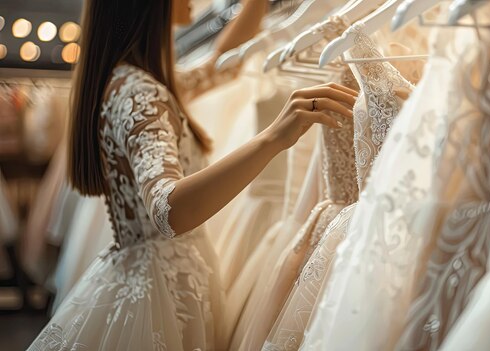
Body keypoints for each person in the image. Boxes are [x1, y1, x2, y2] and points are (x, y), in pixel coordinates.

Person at [27, 0, 356, 349]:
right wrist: (273, 138)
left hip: (157, 277)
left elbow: (222, 66)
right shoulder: (141, 92)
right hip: (159, 295)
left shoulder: (133, 80)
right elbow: (168, 210)